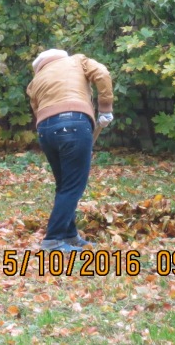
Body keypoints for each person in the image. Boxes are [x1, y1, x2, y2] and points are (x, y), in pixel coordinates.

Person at [26, 49, 113, 253]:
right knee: (73, 186)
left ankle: (69, 234)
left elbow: (36, 109)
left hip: (46, 130)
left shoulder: (36, 81)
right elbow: (102, 74)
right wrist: (105, 108)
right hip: (75, 122)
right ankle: (53, 240)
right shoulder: (77, 61)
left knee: (64, 185)